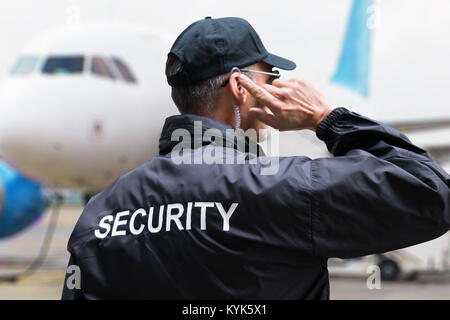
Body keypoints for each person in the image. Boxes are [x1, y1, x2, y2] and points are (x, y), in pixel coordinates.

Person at [62, 16, 449, 299]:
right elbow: (431, 193)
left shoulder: (99, 213)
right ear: (240, 87)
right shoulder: (286, 187)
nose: (277, 89)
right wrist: (326, 119)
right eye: (271, 79)